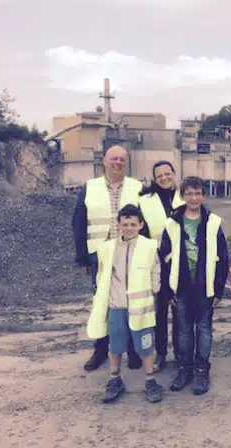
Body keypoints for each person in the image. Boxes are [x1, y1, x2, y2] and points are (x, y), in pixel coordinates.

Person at [72, 145, 144, 372]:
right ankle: (101, 350)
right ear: (104, 161)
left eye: (122, 159)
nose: (118, 163)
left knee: (133, 301)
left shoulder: (137, 187)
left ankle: (133, 351)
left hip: (131, 254)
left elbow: (147, 221)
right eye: (114, 159)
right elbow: (79, 224)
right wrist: (82, 259)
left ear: (127, 162)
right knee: (102, 303)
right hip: (100, 256)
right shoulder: (89, 188)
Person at [86, 204, 163, 404]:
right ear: (118, 225)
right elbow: (103, 274)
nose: (128, 228)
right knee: (116, 344)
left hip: (141, 306)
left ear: (140, 225)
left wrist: (155, 289)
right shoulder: (109, 248)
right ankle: (114, 378)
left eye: (132, 224)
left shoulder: (149, 246)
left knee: (145, 345)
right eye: (124, 224)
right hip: (117, 305)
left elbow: (155, 269)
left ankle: (150, 380)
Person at [160, 176, 229, 395]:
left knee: (204, 328)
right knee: (183, 331)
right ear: (183, 195)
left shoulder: (213, 222)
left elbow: (222, 257)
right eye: (189, 193)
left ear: (203, 195)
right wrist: (166, 289)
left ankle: (201, 368)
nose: (193, 197)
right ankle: (185, 368)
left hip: (204, 286)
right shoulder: (172, 223)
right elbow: (163, 257)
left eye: (197, 193)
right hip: (180, 287)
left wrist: (218, 288)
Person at [138, 160, 184, 371]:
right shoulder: (145, 201)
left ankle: (181, 352)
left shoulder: (185, 196)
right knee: (159, 310)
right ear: (154, 179)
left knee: (180, 309)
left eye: (168, 174)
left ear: (174, 174)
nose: (164, 178)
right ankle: (161, 353)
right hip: (157, 262)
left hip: (181, 261)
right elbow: (142, 232)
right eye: (159, 176)